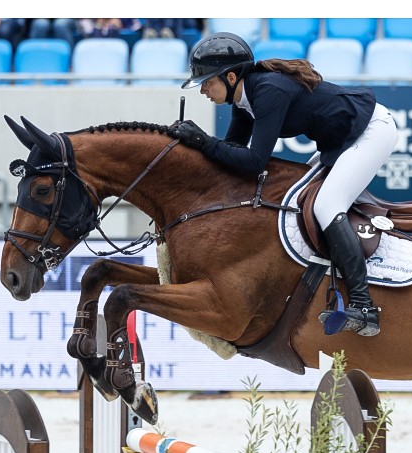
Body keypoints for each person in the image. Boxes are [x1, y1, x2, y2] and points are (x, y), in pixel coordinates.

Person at [170, 32, 397, 337]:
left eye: (207, 82)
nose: (203, 90)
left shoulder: (268, 91)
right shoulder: (244, 101)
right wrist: (192, 149)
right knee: (299, 201)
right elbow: (230, 152)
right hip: (341, 141)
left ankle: (364, 306)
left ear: (231, 77)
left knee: (326, 205)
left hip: (371, 131)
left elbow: (254, 162)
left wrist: (203, 141)